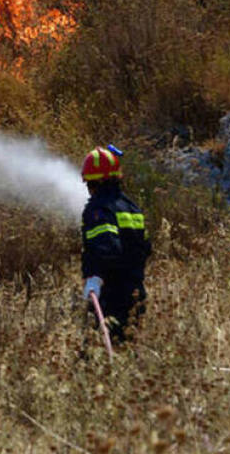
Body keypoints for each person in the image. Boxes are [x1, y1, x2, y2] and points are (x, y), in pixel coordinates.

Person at [80, 145, 150, 342]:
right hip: (136, 295)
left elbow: (106, 248)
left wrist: (94, 278)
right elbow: (146, 248)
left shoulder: (98, 209)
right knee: (127, 354)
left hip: (111, 298)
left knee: (96, 357)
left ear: (95, 182)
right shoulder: (131, 207)